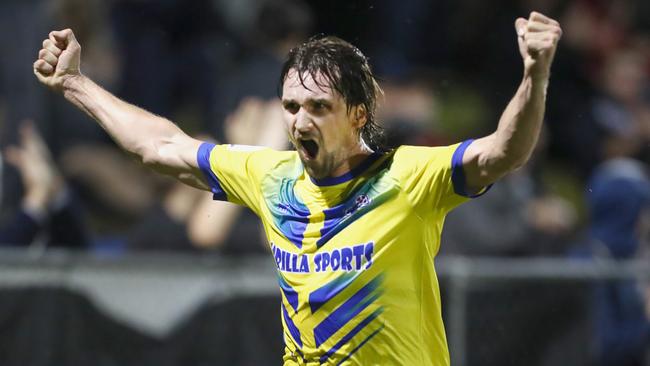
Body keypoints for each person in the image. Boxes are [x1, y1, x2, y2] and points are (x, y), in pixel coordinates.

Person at [33, 11, 562, 365]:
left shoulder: (407, 176)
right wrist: (76, 84)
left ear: (358, 113)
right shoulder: (272, 177)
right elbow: (159, 146)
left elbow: (503, 151)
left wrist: (534, 74)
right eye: (290, 107)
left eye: (318, 107)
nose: (300, 121)